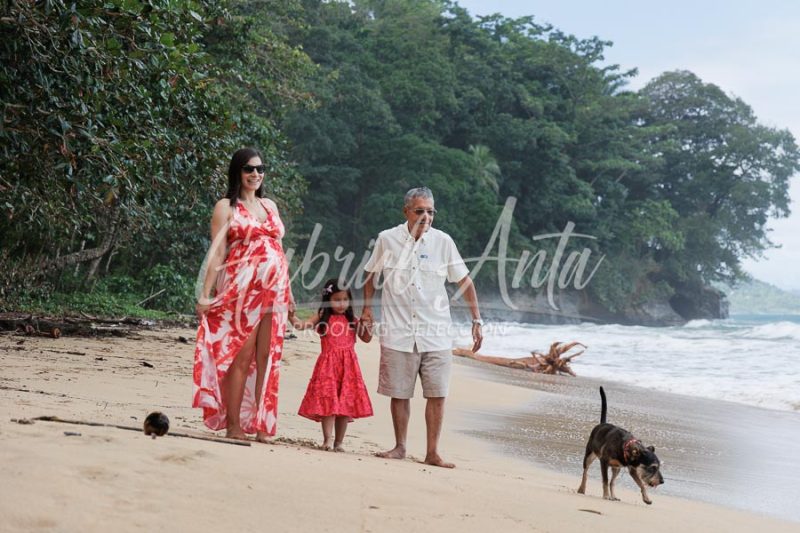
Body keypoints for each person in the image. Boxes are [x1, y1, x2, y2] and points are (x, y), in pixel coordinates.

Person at [361, 187, 483, 468]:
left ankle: (432, 452)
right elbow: (370, 275)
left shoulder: (443, 242)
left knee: (437, 393)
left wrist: (477, 320)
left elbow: (464, 281)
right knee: (399, 393)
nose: (426, 216)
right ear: (406, 211)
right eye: (420, 210)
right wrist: (367, 309)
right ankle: (400, 446)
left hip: (437, 332)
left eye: (430, 211)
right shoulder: (387, 239)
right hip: (397, 330)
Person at [193, 147, 295, 442]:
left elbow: (278, 251)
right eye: (249, 169)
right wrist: (206, 293)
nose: (255, 174)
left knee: (268, 356)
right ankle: (234, 423)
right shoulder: (226, 207)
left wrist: (289, 294)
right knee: (242, 355)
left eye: (260, 169)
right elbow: (217, 253)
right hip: (241, 291)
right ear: (237, 172)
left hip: (274, 291)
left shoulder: (270, 206)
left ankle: (262, 423)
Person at [292, 279, 374, 451]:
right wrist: (290, 316)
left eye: (345, 300)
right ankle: (328, 439)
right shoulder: (323, 317)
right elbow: (301, 326)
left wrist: (368, 326)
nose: (342, 304)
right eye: (337, 300)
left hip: (348, 369)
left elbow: (366, 339)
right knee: (329, 403)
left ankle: (339, 442)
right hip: (328, 368)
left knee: (344, 406)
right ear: (328, 300)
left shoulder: (352, 319)